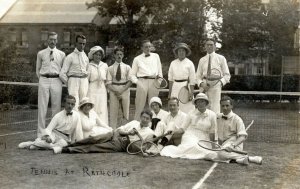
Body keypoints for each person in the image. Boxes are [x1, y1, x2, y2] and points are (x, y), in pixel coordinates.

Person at [54, 110, 156, 154]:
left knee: (95, 148)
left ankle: (66, 151)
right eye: (143, 117)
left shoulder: (150, 133)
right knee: (93, 139)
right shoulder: (134, 122)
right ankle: (66, 146)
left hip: (122, 144)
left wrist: (144, 151)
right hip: (115, 135)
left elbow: (144, 147)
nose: (144, 120)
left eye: (147, 118)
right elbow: (119, 129)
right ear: (140, 117)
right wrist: (128, 133)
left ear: (150, 120)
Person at [160, 93, 217, 159]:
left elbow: (212, 131)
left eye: (202, 101)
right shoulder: (190, 113)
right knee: (193, 145)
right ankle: (206, 154)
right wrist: (173, 132)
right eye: (198, 102)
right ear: (196, 103)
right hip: (190, 135)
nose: (200, 103)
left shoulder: (212, 114)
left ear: (206, 103)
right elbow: (182, 129)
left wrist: (213, 145)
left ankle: (207, 153)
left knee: (203, 148)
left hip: (204, 138)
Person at [18, 95, 83, 150]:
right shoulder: (58, 115)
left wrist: (79, 142)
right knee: (46, 142)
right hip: (54, 134)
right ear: (64, 104)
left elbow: (78, 130)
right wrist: (48, 137)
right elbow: (49, 128)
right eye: (68, 103)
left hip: (65, 138)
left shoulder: (77, 115)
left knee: (64, 144)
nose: (70, 106)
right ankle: (32, 143)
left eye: (72, 104)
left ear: (74, 105)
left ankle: (40, 146)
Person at [213, 96, 262, 165]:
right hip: (222, 144)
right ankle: (240, 160)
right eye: (223, 106)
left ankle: (250, 158)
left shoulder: (237, 119)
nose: (225, 108)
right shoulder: (217, 116)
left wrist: (232, 145)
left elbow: (242, 137)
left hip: (234, 144)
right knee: (212, 154)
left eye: (227, 105)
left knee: (220, 154)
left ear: (231, 106)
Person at [35, 32, 66, 137]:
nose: (53, 41)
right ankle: (40, 133)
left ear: (57, 40)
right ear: (47, 40)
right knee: (42, 106)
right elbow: (37, 70)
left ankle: (54, 133)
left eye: (54, 39)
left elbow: (63, 70)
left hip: (57, 80)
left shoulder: (62, 54)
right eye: (51, 39)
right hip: (44, 79)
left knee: (56, 107)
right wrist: (42, 79)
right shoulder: (41, 53)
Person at [130, 39, 163, 121]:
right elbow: (131, 75)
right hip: (142, 81)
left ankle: (154, 125)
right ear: (142, 48)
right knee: (139, 106)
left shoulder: (156, 56)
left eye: (149, 46)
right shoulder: (137, 59)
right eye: (146, 47)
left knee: (154, 105)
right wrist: (138, 83)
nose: (148, 48)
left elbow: (160, 71)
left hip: (154, 82)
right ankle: (136, 124)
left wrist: (158, 82)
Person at [196, 38, 231, 113]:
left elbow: (227, 75)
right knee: (202, 109)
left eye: (211, 45)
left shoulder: (221, 58)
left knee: (215, 109)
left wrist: (219, 83)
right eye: (207, 45)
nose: (209, 47)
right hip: (204, 87)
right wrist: (202, 84)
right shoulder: (202, 60)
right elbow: (198, 76)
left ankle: (215, 124)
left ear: (215, 46)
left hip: (216, 87)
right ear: (205, 46)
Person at [60, 34, 89, 109]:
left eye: (84, 44)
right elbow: (62, 74)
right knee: (74, 103)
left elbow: (87, 71)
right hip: (73, 81)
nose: (82, 45)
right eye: (80, 43)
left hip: (84, 81)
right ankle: (74, 120)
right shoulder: (70, 57)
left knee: (83, 102)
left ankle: (82, 121)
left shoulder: (86, 57)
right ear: (76, 43)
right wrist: (69, 82)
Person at [106, 47, 132, 129]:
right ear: (114, 55)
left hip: (125, 90)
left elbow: (130, 81)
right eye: (117, 54)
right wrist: (116, 91)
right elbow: (108, 83)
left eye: (121, 54)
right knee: (113, 112)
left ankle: (125, 130)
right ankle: (113, 130)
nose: (119, 56)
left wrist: (122, 90)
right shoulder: (110, 68)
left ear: (123, 55)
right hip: (114, 91)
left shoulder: (127, 67)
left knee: (125, 111)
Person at [168, 43, 196, 113]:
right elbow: (170, 79)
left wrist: (191, 93)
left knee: (188, 108)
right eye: (179, 51)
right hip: (175, 87)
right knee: (175, 106)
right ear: (177, 52)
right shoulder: (173, 63)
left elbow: (192, 79)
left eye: (183, 51)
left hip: (186, 86)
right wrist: (170, 93)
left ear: (186, 52)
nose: (181, 52)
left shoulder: (190, 63)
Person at [86, 46, 109, 124]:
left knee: (102, 108)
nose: (98, 56)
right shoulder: (89, 66)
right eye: (96, 54)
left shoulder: (105, 65)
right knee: (93, 107)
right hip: (92, 88)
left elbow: (107, 79)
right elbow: (87, 80)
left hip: (102, 89)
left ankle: (102, 128)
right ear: (93, 55)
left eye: (99, 55)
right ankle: (92, 126)